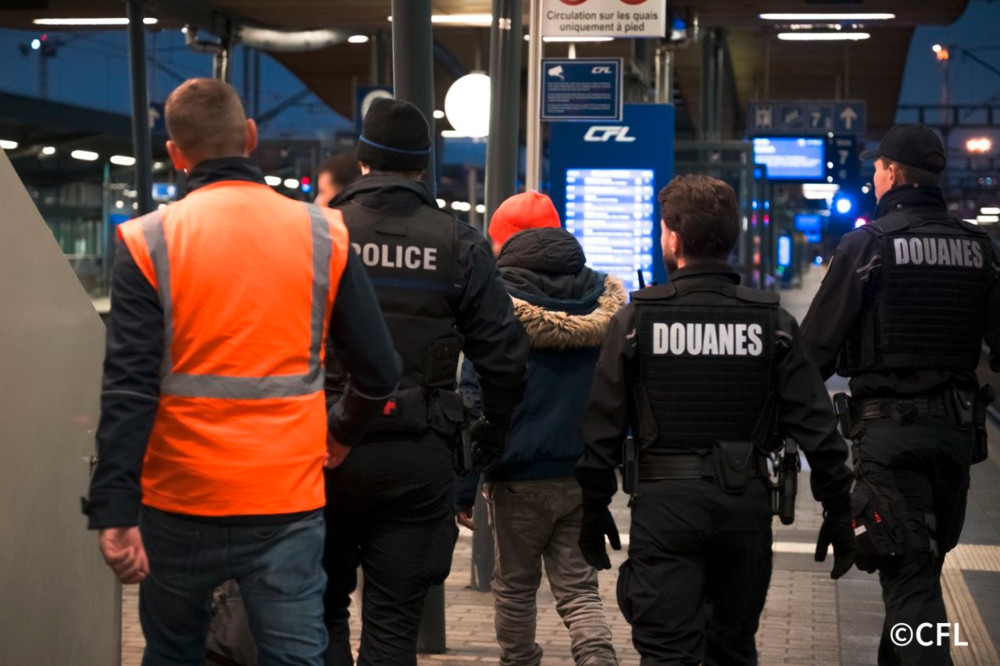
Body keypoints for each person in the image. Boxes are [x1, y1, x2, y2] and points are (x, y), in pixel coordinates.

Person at [82, 78, 401, 666]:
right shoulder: (322, 232)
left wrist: (114, 511)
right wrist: (340, 432)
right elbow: (381, 369)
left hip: (178, 500)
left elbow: (128, 389)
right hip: (285, 499)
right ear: (251, 138)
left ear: (176, 154)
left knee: (173, 652)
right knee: (294, 656)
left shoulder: (148, 240)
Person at [576, 174, 857, 665]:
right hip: (744, 505)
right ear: (731, 239)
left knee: (667, 653)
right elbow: (818, 427)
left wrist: (593, 507)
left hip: (664, 507)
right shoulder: (771, 322)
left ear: (674, 238)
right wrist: (837, 508)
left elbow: (602, 423)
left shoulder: (638, 320)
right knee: (731, 648)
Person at [322, 98, 530, 666]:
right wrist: (492, 431)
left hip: (322, 450)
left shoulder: (320, 233)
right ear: (423, 166)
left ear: (363, 161)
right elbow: (505, 357)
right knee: (393, 627)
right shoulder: (459, 242)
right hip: (419, 454)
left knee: (320, 614)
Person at [800, 124, 1000, 666]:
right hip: (957, 441)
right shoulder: (979, 249)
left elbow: (813, 351)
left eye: (877, 167)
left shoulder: (868, 245)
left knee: (911, 584)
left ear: (891, 173)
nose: (873, 175)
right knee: (918, 571)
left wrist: (776, 421)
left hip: (888, 440)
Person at [456, 192, 625, 666]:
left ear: (504, 241)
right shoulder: (601, 295)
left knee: (513, 587)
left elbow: (474, 394)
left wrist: (465, 484)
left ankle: (521, 661)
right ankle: (597, 657)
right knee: (578, 587)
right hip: (582, 471)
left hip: (517, 473)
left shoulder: (492, 301)